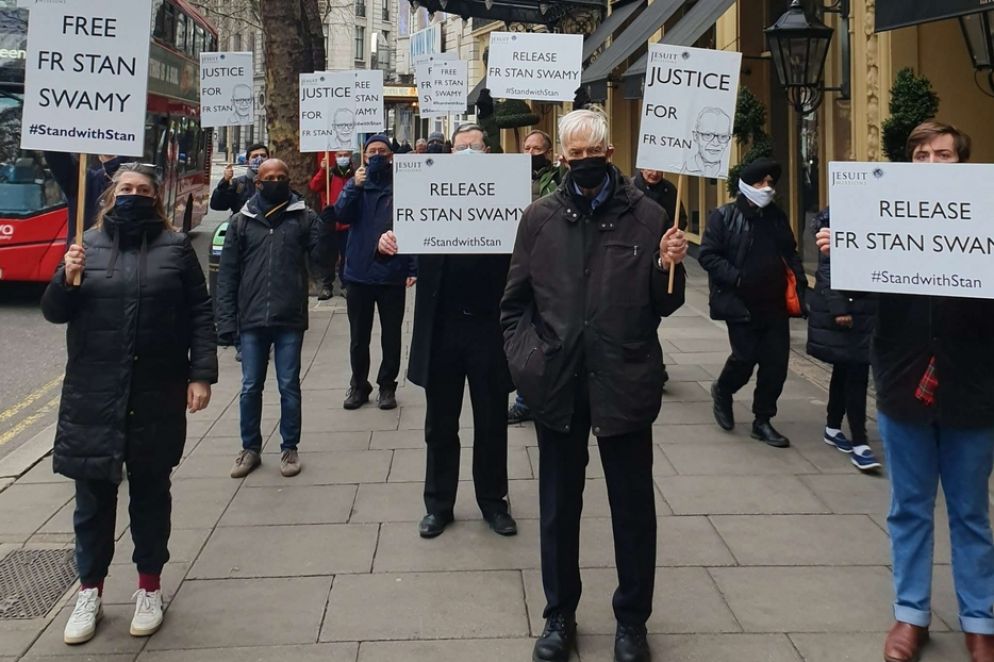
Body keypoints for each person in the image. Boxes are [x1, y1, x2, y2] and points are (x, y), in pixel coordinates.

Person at [502, 108, 688, 662]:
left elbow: (666, 303)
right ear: (562, 158)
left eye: (593, 154)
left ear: (610, 154)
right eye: (574, 155)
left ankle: (632, 620)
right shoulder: (538, 219)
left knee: (632, 508)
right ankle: (559, 614)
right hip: (558, 383)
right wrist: (527, 360)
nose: (583, 163)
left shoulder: (650, 216)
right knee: (559, 507)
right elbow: (514, 304)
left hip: (623, 380)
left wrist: (665, 265)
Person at [818, 121, 994, 662]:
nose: (933, 163)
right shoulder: (885, 212)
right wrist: (840, 250)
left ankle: (979, 619)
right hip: (902, 380)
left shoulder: (985, 215)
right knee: (909, 507)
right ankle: (910, 614)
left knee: (970, 511)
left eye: (944, 154)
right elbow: (856, 285)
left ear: (962, 163)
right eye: (921, 155)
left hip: (973, 384)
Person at [41, 163, 217, 645]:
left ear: (155, 198)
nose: (133, 195)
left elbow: (200, 313)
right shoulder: (85, 247)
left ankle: (148, 588)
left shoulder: (176, 248)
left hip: (156, 392)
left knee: (151, 496)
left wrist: (200, 374)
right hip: (94, 394)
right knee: (92, 503)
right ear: (109, 195)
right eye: (125, 189)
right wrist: (67, 278)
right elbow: (55, 313)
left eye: (142, 190)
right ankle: (89, 592)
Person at [377, 124, 516, 540]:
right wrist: (385, 244)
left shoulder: (506, 193)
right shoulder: (425, 191)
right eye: (461, 148)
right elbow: (398, 244)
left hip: (490, 328)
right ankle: (439, 505)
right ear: (450, 152)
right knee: (440, 424)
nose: (468, 153)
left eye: (475, 147)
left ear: (487, 151)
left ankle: (494, 503)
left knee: (492, 421)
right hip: (442, 328)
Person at [217, 158, 329, 480]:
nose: (276, 181)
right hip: (251, 319)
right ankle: (250, 448)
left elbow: (322, 260)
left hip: (288, 317)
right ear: (258, 183)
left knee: (288, 386)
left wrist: (327, 226)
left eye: (282, 176)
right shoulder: (241, 222)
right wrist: (226, 323)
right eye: (269, 177)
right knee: (251, 386)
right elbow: (227, 275)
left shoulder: (303, 217)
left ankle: (289, 446)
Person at [699, 158, 806, 448]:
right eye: (761, 183)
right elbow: (708, 255)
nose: (767, 188)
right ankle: (723, 389)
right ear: (746, 186)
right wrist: (737, 278)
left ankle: (762, 420)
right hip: (741, 304)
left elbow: (790, 252)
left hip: (775, 305)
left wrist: (801, 285)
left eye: (770, 183)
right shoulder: (724, 217)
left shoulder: (776, 217)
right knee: (744, 359)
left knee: (775, 366)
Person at [335, 135, 416, 410]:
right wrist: (352, 187)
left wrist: (413, 266)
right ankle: (358, 384)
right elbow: (341, 214)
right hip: (358, 272)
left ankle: (387, 386)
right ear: (364, 156)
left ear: (391, 155)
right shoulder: (357, 184)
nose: (378, 155)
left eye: (383, 150)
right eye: (372, 151)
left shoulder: (404, 185)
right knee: (359, 336)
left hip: (391, 271)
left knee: (391, 335)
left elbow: (416, 225)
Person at [805, 208, 880, 472]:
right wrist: (839, 308)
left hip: (866, 309)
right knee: (856, 372)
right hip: (848, 311)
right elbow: (826, 271)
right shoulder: (837, 221)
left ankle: (833, 427)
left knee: (846, 367)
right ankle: (860, 442)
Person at [507, 129, 565, 425]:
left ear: (548, 150)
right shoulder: (508, 176)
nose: (531, 153)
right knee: (523, 330)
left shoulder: (558, 179)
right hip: (517, 263)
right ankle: (525, 397)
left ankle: (538, 396)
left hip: (548, 263)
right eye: (526, 148)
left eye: (536, 148)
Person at [633, 168, 687, 391]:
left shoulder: (670, 191)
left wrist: (673, 237)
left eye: (658, 171)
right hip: (637, 255)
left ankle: (654, 365)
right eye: (650, 169)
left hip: (662, 258)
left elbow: (680, 218)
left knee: (654, 313)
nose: (654, 174)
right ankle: (654, 365)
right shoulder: (631, 189)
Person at [43, 152, 123, 246]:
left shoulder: (139, 188)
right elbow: (55, 154)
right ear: (100, 157)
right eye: (109, 155)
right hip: (85, 257)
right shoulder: (83, 181)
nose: (115, 161)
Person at [308, 151, 355, 300]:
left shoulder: (355, 173)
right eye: (340, 155)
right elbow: (314, 186)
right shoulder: (329, 174)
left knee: (347, 255)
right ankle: (326, 285)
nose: (343, 158)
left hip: (347, 222)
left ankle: (345, 284)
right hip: (330, 221)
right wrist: (323, 170)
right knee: (327, 255)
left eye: (345, 155)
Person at [210, 143, 269, 214]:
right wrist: (225, 182)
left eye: (263, 156)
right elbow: (218, 205)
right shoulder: (238, 183)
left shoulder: (275, 181)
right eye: (255, 156)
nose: (260, 159)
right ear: (247, 162)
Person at [683, 107, 732, 178]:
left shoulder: (729, 173)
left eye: (723, 136)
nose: (715, 143)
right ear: (696, 136)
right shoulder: (685, 168)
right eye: (708, 135)